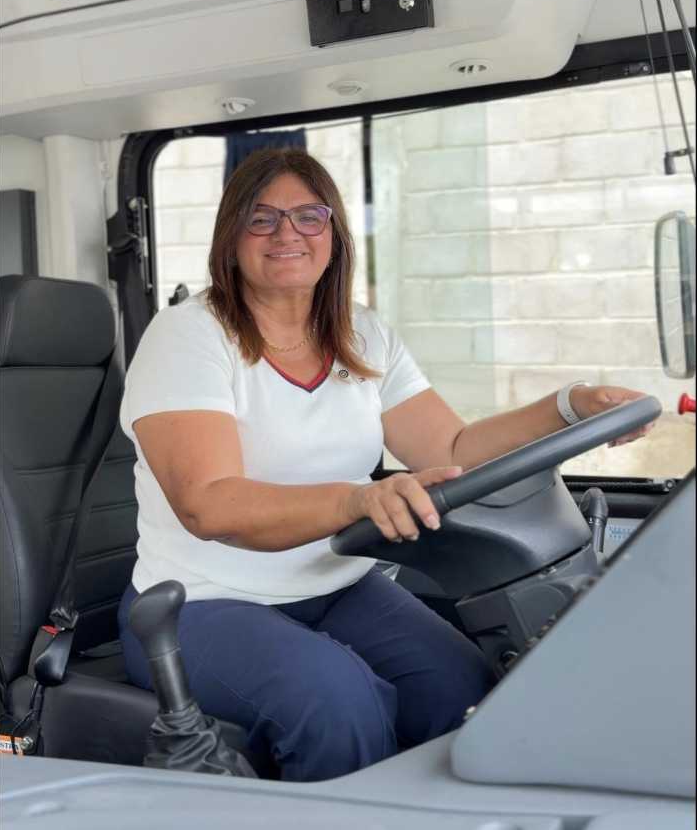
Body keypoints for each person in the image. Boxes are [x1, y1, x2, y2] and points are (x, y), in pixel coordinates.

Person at [118, 147, 653, 782]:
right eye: (261, 219)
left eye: (309, 216)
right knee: (340, 704)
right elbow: (209, 504)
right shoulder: (188, 336)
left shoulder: (362, 333)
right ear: (230, 239)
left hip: (338, 586)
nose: (287, 233)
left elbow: (450, 450)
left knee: (469, 693)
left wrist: (570, 406)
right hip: (200, 603)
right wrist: (357, 499)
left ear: (334, 234)